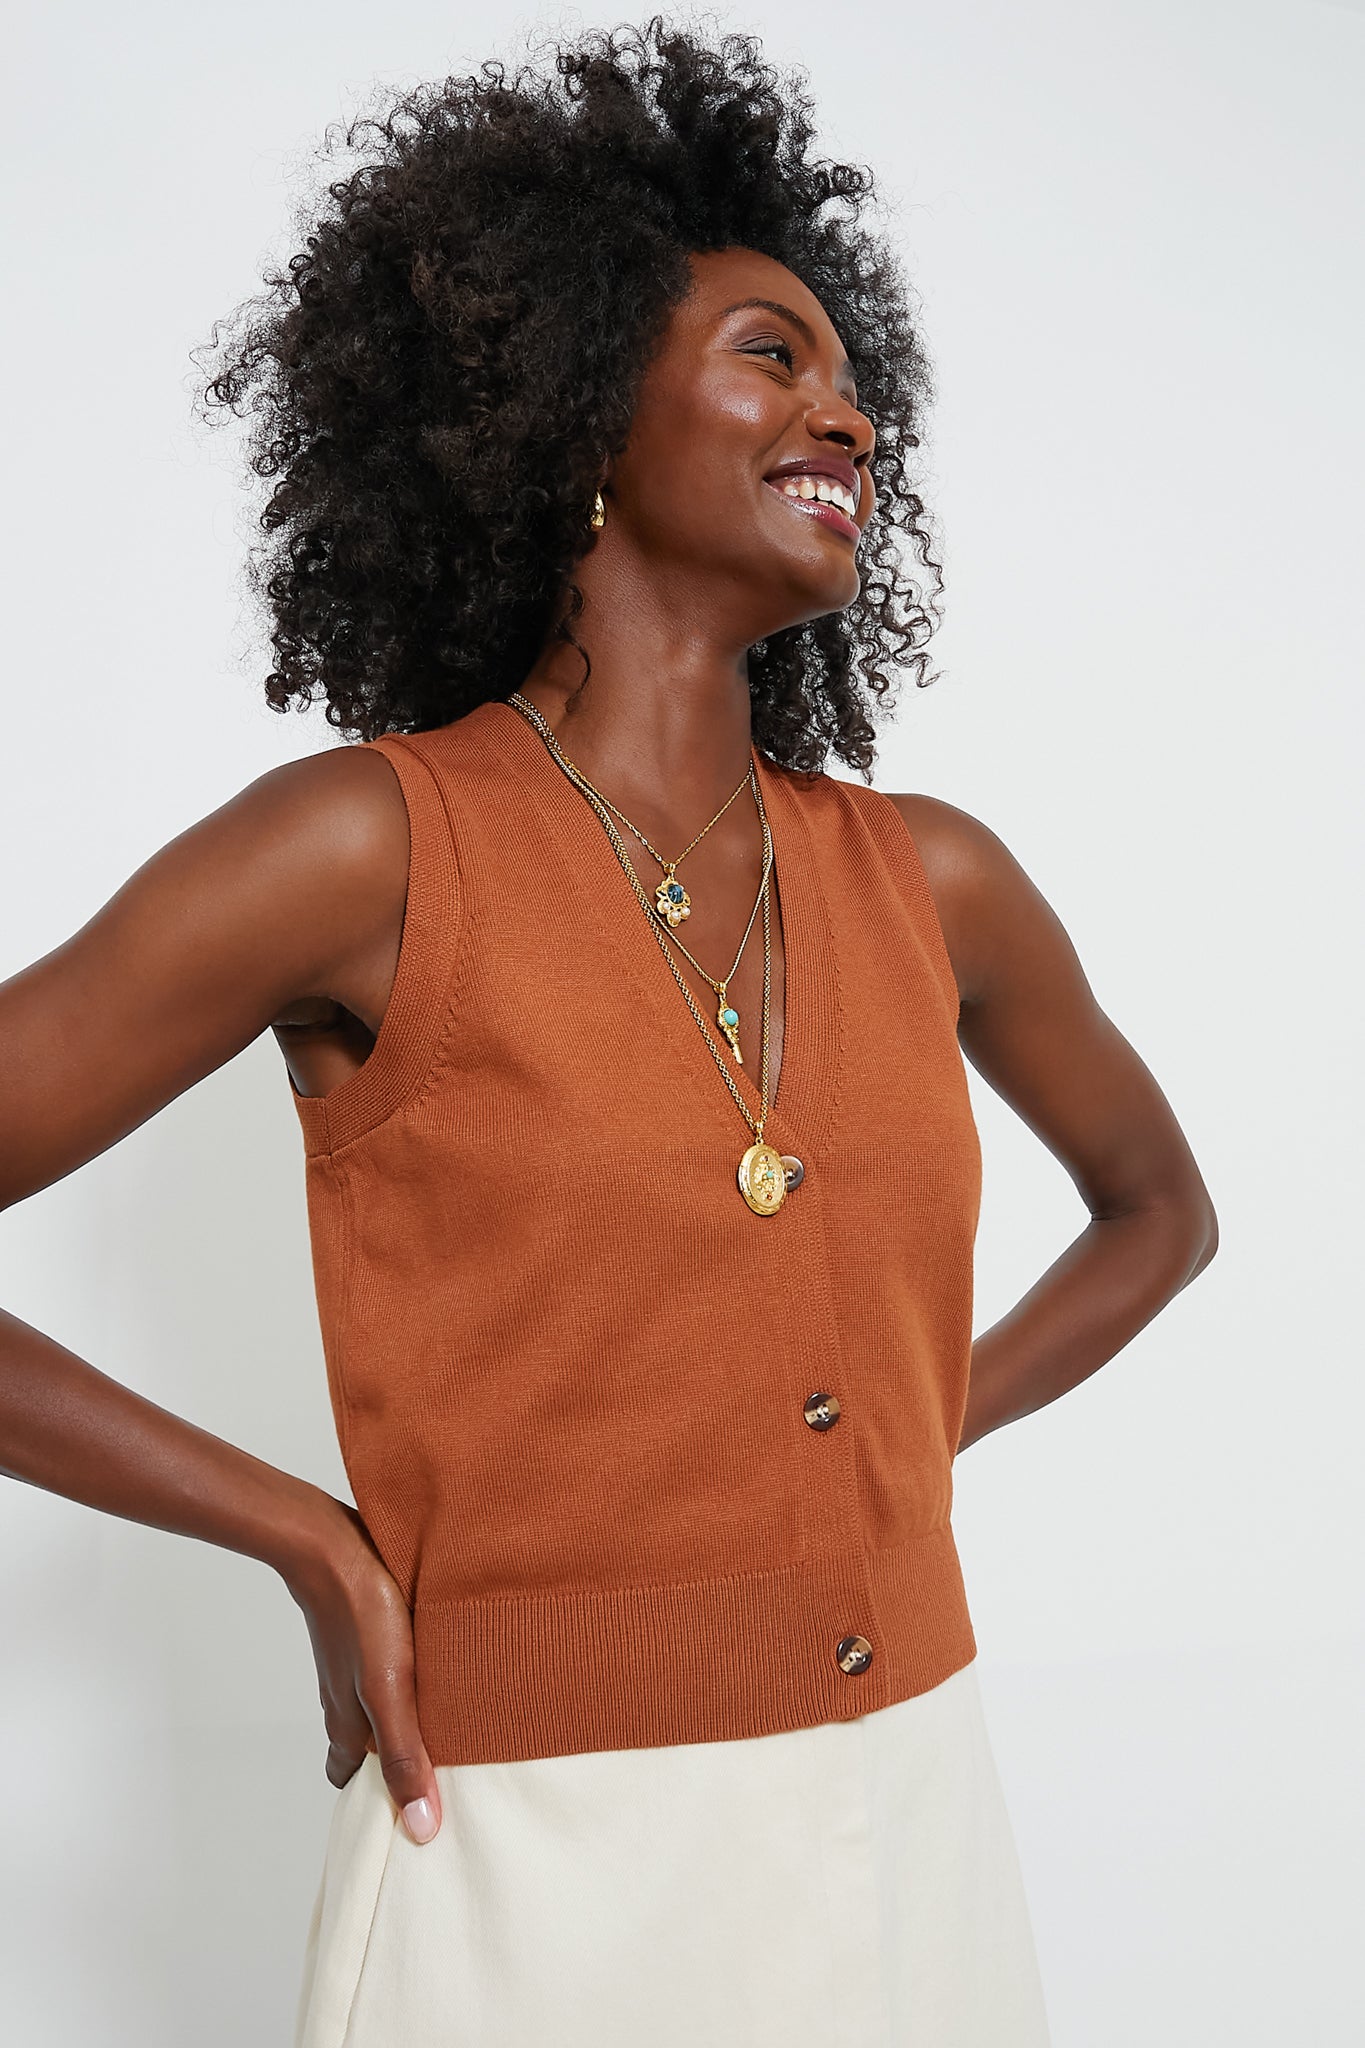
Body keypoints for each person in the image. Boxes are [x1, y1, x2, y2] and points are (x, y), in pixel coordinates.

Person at [0, 17, 1218, 2046]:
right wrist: (301, 1536)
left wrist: (911, 1425)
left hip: (908, 1824)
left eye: (853, 376)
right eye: (769, 352)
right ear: (579, 414)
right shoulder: (364, 849)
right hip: (531, 1874)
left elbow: (1159, 1213)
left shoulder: (934, 880)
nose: (842, 410)